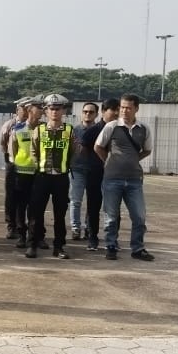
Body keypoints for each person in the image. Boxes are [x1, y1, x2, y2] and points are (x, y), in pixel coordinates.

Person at [94, 93, 154, 261]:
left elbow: (147, 150)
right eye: (122, 107)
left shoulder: (143, 128)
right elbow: (98, 146)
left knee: (139, 216)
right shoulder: (112, 126)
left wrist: (133, 160)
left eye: (128, 108)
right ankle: (111, 246)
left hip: (134, 180)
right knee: (111, 216)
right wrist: (108, 161)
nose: (124, 111)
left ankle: (138, 248)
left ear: (136, 109)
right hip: (112, 179)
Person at [27, 93, 76, 259]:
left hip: (61, 178)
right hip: (42, 177)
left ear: (63, 111)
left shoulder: (69, 130)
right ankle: (32, 244)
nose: (54, 112)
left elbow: (74, 151)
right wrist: (38, 166)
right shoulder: (39, 130)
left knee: (60, 214)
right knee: (36, 212)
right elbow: (33, 150)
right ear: (46, 111)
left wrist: (67, 166)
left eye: (58, 109)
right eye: (51, 109)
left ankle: (59, 247)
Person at [80, 98, 119, 251]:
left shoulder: (120, 130)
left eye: (118, 110)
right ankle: (92, 238)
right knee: (93, 207)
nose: (116, 113)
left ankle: (112, 239)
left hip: (115, 174)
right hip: (95, 173)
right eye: (113, 110)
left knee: (113, 208)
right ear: (103, 111)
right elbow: (84, 150)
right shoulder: (93, 131)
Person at [10, 95, 43, 250]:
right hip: (22, 173)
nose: (42, 110)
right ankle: (22, 236)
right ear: (30, 110)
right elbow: (12, 151)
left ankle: (37, 236)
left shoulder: (44, 129)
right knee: (21, 206)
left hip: (40, 173)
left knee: (37, 207)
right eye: (39, 108)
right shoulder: (17, 129)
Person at [68, 101, 99, 241]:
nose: (88, 114)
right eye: (85, 111)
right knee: (76, 201)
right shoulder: (74, 131)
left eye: (91, 112)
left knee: (93, 202)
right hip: (77, 169)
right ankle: (76, 228)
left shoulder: (100, 130)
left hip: (94, 170)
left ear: (96, 114)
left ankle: (89, 228)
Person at [0, 98, 29, 239]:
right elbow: (3, 143)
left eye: (29, 108)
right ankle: (11, 226)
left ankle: (25, 226)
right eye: (24, 108)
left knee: (27, 197)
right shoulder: (10, 125)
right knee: (11, 196)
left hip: (30, 165)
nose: (26, 111)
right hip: (13, 164)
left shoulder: (35, 126)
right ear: (17, 110)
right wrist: (11, 158)